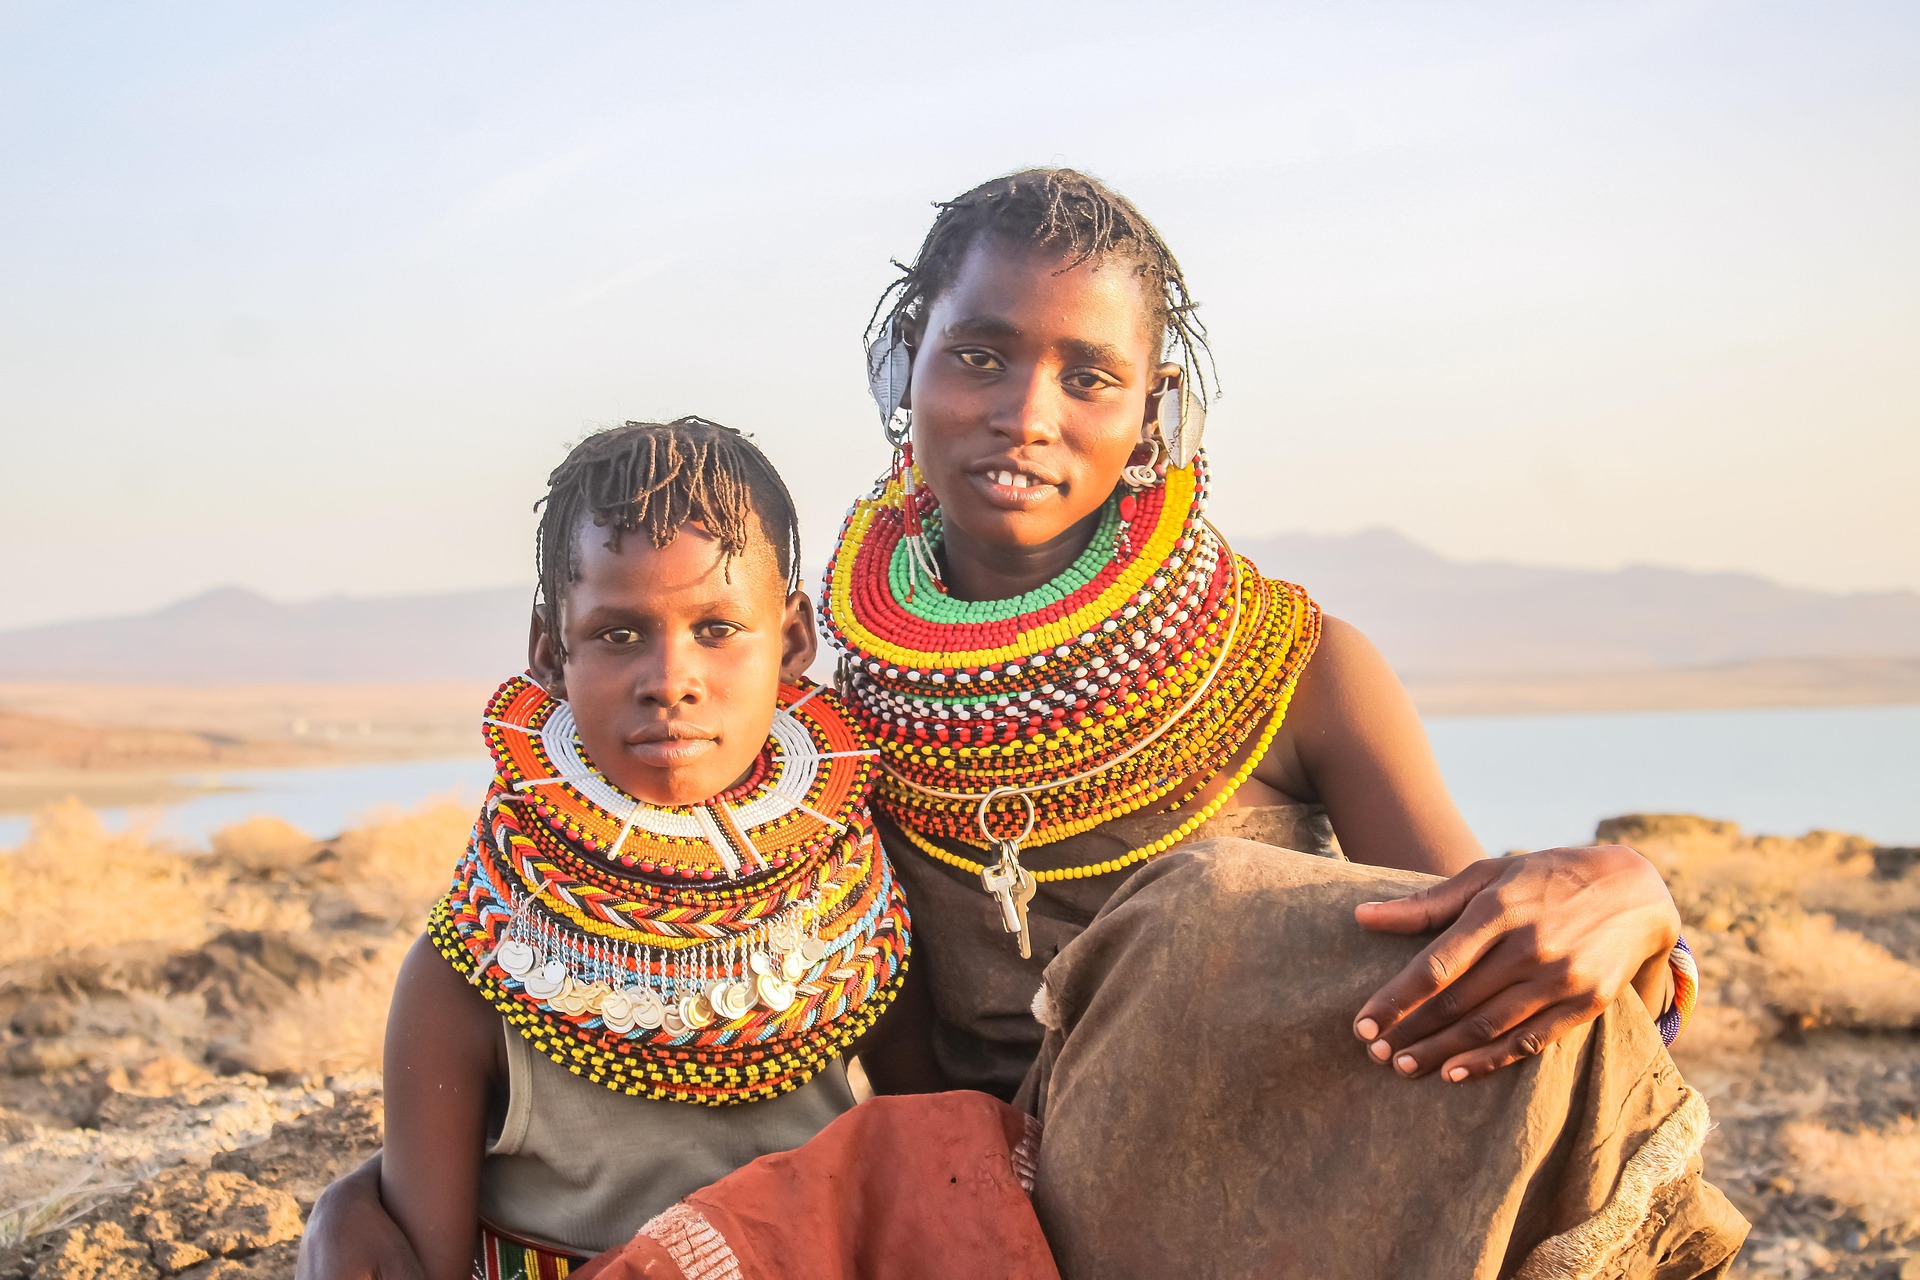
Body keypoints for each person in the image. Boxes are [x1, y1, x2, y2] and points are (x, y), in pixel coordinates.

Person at [305, 174, 1743, 1279]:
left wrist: (1628, 894)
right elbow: (618, 936)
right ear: (902, 369)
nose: (1026, 413)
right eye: (981, 355)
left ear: (1151, 412)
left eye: (1089, 375)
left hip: (1252, 1189)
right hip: (970, 1214)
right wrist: (372, 1202)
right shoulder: (816, 715)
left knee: (1218, 906)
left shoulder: (1300, 666)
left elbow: (1487, 952)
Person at [375, 419, 915, 1280]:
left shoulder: (864, 940)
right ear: (551, 653)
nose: (671, 679)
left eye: (718, 628)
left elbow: (928, 1180)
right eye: (620, 634)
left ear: (796, 641)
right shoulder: (462, 982)